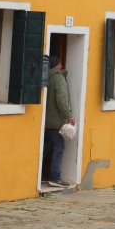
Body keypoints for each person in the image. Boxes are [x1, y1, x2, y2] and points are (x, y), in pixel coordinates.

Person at [43, 53, 72, 190]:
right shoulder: (58, 78)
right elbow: (62, 99)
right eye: (60, 64)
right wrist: (68, 115)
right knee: (58, 149)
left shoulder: (44, 77)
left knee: (44, 149)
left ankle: (37, 175)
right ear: (56, 65)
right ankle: (54, 177)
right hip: (56, 122)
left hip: (46, 121)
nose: (62, 66)